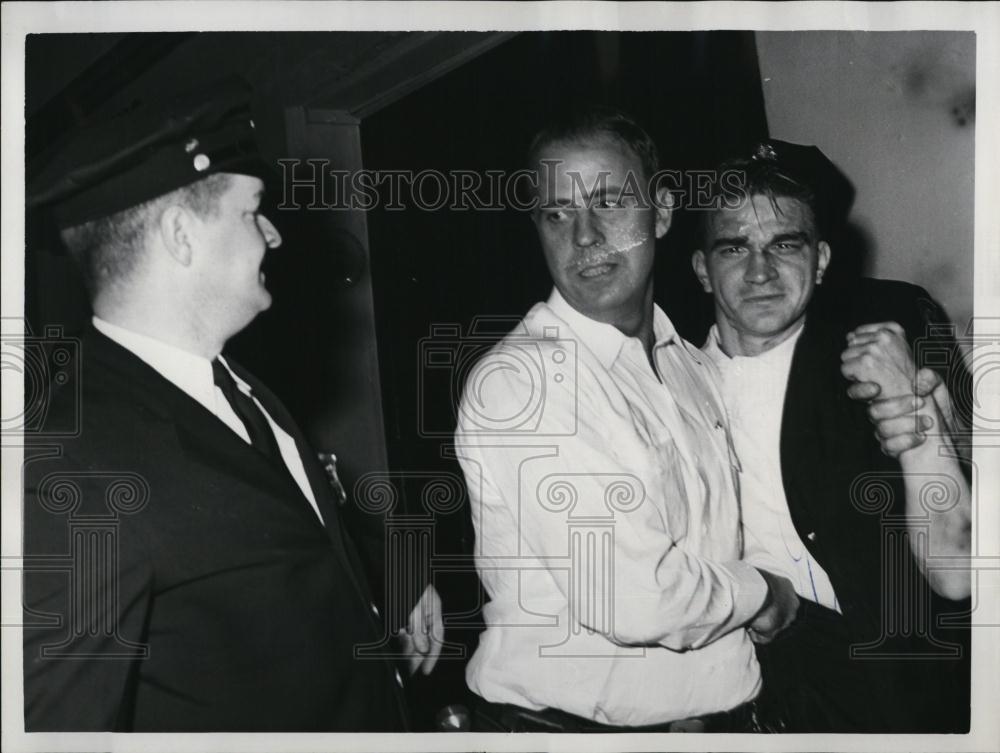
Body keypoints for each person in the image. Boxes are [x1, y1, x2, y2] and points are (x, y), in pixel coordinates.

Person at [22, 80, 439, 732]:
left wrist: (399, 574)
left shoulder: (238, 387)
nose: (273, 235)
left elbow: (285, 526)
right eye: (251, 212)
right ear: (182, 235)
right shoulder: (75, 462)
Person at [453, 107, 802, 732]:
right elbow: (634, 599)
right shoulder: (524, 382)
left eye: (610, 203)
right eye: (557, 213)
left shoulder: (691, 368)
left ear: (662, 213)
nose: (583, 236)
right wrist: (765, 594)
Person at [691, 139, 972, 732]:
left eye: (784, 244)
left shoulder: (879, 344)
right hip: (763, 698)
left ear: (819, 260)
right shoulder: (672, 389)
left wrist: (917, 414)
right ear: (702, 270)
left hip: (910, 691)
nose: (760, 271)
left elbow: (960, 567)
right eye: (734, 247)